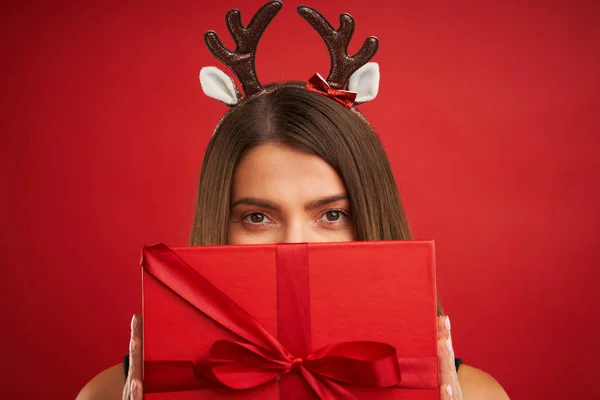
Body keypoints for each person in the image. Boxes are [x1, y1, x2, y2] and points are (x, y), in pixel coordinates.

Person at [77, 2, 509, 399]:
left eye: (333, 214)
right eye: (258, 217)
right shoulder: (108, 394)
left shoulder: (474, 395)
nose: (296, 245)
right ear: (218, 223)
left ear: (371, 217)